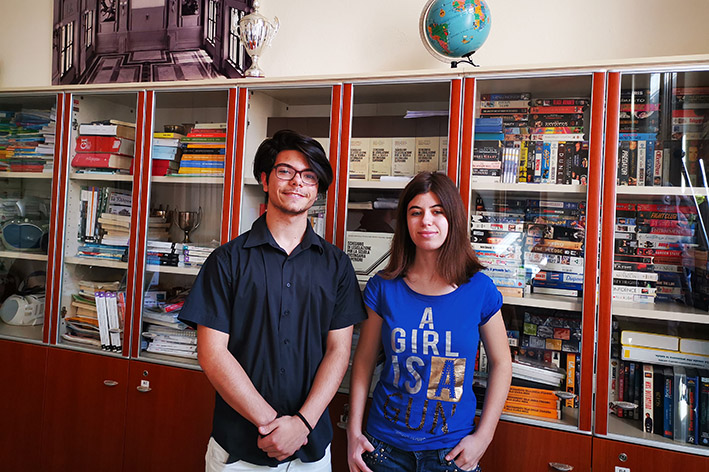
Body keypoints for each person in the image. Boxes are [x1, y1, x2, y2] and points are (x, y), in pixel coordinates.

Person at [179, 129, 367, 471]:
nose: (297, 182)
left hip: (311, 449)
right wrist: (273, 426)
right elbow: (212, 353)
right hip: (240, 448)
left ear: (317, 189)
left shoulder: (337, 265)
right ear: (265, 180)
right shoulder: (227, 261)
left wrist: (302, 425)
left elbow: (339, 351)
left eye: (309, 176)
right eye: (285, 171)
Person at [346, 172, 512, 472]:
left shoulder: (480, 289)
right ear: (404, 221)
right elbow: (364, 360)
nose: (426, 221)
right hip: (383, 449)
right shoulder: (383, 287)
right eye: (416, 212)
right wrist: (353, 432)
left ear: (453, 219)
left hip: (452, 452)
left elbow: (502, 363)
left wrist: (484, 436)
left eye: (437, 211)